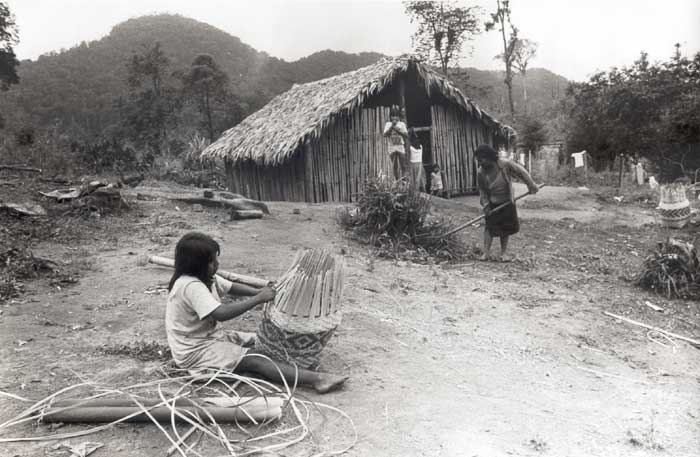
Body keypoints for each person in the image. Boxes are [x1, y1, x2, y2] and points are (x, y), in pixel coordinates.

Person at [165, 232, 347, 394]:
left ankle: (289, 369)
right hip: (194, 351)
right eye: (212, 262)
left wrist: (258, 291)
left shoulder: (206, 278)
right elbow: (220, 313)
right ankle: (317, 380)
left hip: (208, 338)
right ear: (196, 265)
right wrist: (258, 299)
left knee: (262, 340)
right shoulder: (191, 286)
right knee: (257, 358)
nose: (217, 264)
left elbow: (231, 287)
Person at [476, 144, 539, 262]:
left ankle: (503, 254)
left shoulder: (504, 164)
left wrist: (531, 185)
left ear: (489, 157)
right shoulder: (481, 172)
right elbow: (483, 191)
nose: (481, 163)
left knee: (505, 229)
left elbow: (522, 172)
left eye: (482, 159)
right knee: (489, 228)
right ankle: (486, 253)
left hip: (506, 202)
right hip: (492, 203)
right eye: (479, 160)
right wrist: (486, 205)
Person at [383, 106, 408, 181]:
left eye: (396, 116)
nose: (394, 118)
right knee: (395, 167)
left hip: (400, 146)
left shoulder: (402, 124)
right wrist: (392, 127)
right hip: (392, 147)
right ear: (390, 117)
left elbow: (406, 135)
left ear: (399, 117)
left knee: (403, 166)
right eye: (393, 116)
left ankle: (404, 183)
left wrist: (398, 130)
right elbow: (384, 135)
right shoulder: (388, 124)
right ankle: (397, 183)